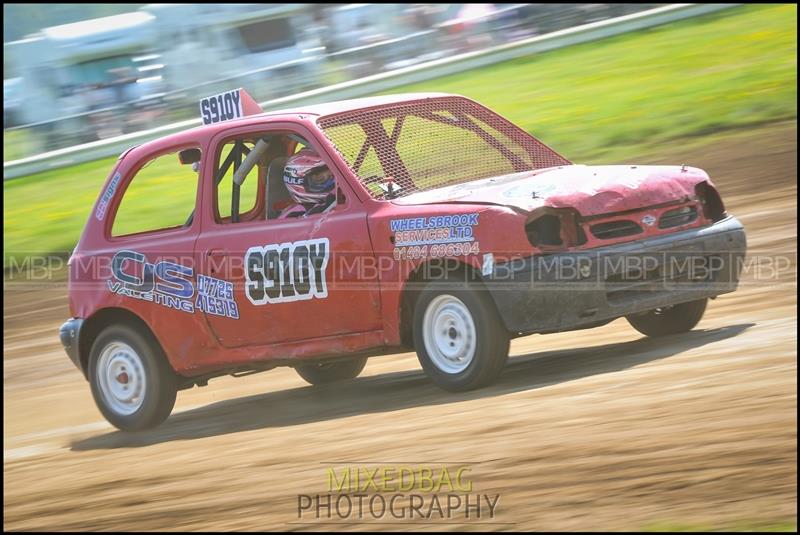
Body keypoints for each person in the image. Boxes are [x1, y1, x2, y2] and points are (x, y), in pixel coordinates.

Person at [279, 148, 336, 218]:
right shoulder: (292, 215)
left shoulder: (331, 201)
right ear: (298, 183)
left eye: (332, 176)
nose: (332, 182)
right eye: (321, 179)